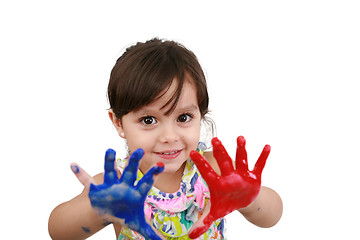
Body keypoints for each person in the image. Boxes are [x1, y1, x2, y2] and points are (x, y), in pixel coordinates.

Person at [48, 38, 283, 240]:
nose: (170, 137)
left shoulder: (213, 171)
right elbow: (58, 231)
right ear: (118, 122)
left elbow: (272, 216)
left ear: (201, 114)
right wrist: (98, 210)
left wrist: (250, 199)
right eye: (149, 120)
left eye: (183, 117)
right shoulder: (117, 186)